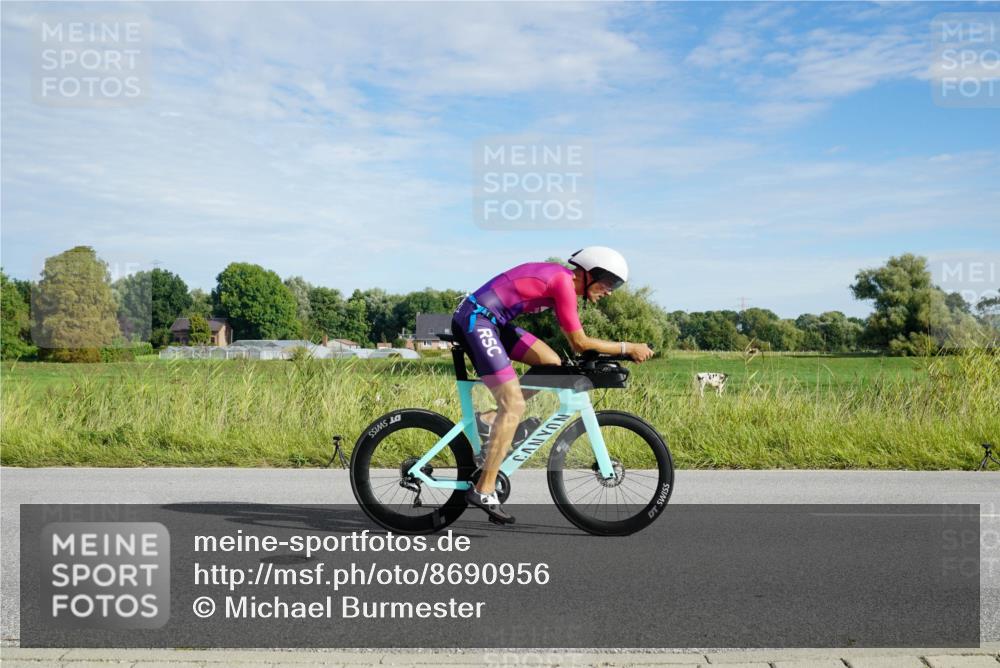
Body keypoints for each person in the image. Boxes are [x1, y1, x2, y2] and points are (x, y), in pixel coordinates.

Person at [451, 247, 654, 524]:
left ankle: (489, 420)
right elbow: (579, 343)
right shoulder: (563, 283)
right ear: (590, 274)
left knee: (551, 362)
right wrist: (626, 348)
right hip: (476, 319)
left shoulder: (563, 283)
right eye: (609, 283)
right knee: (513, 405)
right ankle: (484, 489)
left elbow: (575, 345)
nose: (610, 291)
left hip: (493, 321)